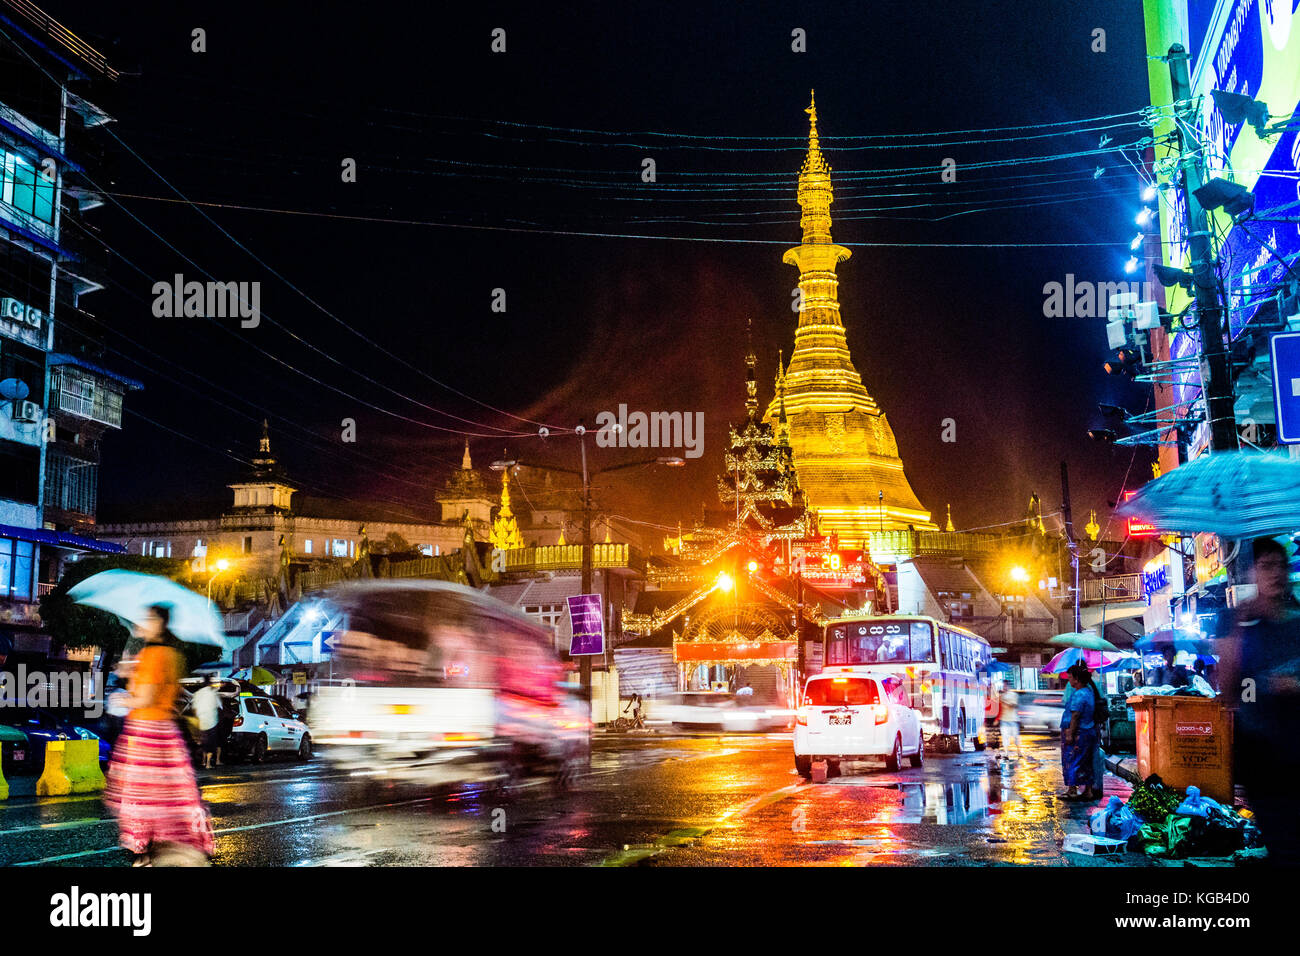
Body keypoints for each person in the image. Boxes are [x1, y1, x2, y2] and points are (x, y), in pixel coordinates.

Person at [103, 604, 213, 866]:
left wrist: (122, 698)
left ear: (159, 623)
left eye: (148, 619)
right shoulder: (172, 656)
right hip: (166, 732)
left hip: (146, 733)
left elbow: (146, 697)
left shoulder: (153, 656)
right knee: (168, 798)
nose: (142, 623)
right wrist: (131, 672)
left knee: (142, 797)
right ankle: (165, 846)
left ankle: (144, 852)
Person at [1218, 536, 1300, 865]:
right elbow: (1229, 691)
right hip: (1262, 755)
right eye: (1266, 566)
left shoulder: (1297, 620)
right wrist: (1238, 627)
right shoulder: (1237, 622)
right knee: (1284, 845)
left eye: (1281, 565)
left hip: (1296, 744)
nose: (1276, 573)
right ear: (1251, 572)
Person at [1059, 662, 1100, 800]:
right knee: (1085, 762)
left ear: (1076, 679)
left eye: (1070, 678)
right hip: (1088, 733)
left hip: (1078, 734)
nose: (1069, 680)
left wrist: (1070, 733)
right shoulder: (1089, 692)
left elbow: (1075, 716)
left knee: (1072, 761)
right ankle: (1087, 791)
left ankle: (1072, 790)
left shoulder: (1079, 694)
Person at [192, 676, 222, 769]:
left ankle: (203, 762)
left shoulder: (197, 694)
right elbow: (220, 706)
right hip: (212, 722)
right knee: (211, 743)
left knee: (204, 742)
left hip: (201, 722)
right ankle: (208, 763)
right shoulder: (212, 693)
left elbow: (194, 708)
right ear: (209, 683)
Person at [998, 684, 1022, 758]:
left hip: (1013, 719)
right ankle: (1006, 753)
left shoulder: (1013, 695)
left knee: (1015, 737)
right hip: (1004, 719)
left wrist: (1005, 702)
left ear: (1008, 686)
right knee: (1005, 737)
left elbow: (1014, 705)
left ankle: (1019, 752)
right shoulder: (1001, 696)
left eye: (1006, 686)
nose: (1004, 687)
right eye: (1003, 686)